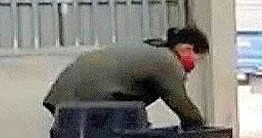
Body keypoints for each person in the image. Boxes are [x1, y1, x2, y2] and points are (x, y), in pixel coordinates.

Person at [43, 26, 209, 129]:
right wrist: (201, 130)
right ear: (187, 49)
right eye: (198, 58)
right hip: (87, 100)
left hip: (64, 94)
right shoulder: (167, 61)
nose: (195, 65)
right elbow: (183, 107)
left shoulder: (152, 49)